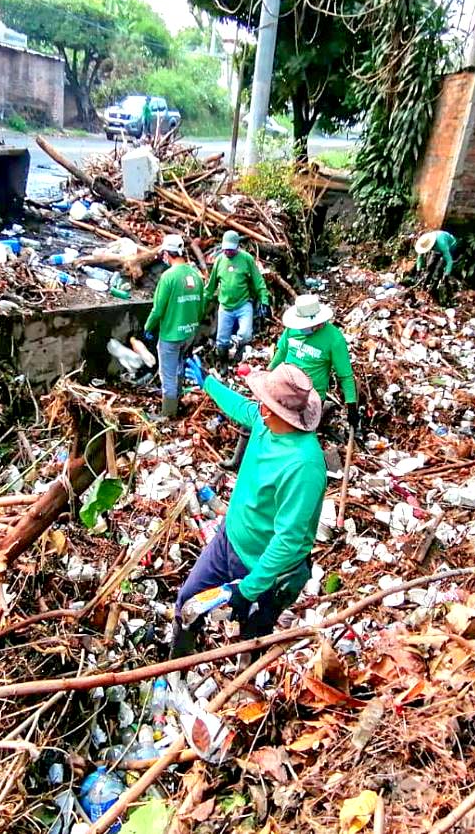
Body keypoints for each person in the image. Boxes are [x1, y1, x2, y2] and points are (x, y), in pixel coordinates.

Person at [171, 359, 326, 657]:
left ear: (274, 410)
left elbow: (289, 539)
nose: (259, 405)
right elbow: (241, 408)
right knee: (188, 603)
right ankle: (177, 666)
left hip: (262, 568)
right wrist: (208, 383)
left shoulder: (304, 465)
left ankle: (242, 692)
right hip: (228, 540)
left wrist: (249, 588)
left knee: (250, 638)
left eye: (263, 402)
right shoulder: (264, 423)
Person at [269, 294, 360, 432]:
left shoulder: (334, 338)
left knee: (300, 433)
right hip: (285, 387)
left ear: (318, 323)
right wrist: (268, 373)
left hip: (310, 397)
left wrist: (351, 405)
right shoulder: (293, 329)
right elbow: (281, 352)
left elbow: (345, 375)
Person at [143, 234, 204, 418]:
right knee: (178, 368)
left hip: (171, 335)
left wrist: (148, 327)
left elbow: (158, 309)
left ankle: (168, 415)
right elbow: (201, 307)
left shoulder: (168, 277)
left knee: (167, 375)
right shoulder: (196, 275)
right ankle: (177, 402)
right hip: (189, 333)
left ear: (167, 254)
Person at [203, 231, 271, 363]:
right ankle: (223, 363)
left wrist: (264, 301)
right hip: (225, 306)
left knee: (246, 335)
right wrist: (201, 305)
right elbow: (210, 287)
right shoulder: (219, 261)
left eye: (231, 249)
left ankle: (238, 355)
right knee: (222, 340)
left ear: (237, 246)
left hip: (243, 304)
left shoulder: (246, 259)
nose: (228, 252)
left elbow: (258, 282)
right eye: (226, 249)